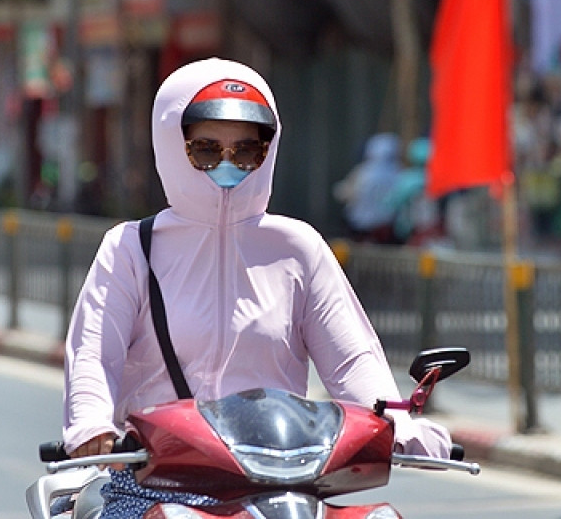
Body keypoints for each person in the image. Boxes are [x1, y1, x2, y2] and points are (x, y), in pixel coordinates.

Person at [63, 58, 452, 518]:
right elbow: (94, 354)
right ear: (172, 143)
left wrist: (399, 422)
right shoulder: (131, 247)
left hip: (281, 485)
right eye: (206, 148)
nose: (228, 164)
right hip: (156, 482)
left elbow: (352, 359)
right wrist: (90, 423)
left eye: (247, 150)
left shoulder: (298, 246)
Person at [333, 132, 401, 242]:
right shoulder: (397, 173)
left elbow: (343, 193)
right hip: (385, 228)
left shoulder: (363, 172)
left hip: (360, 226)